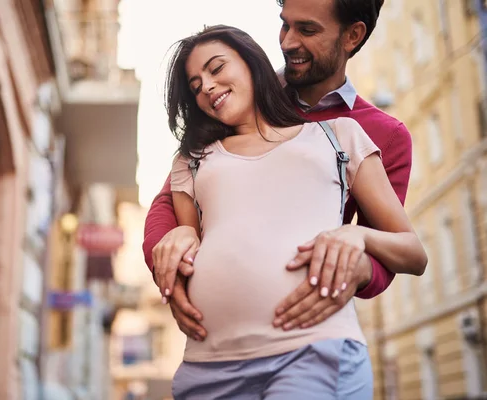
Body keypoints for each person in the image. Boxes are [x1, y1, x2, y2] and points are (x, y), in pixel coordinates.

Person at [164, 24, 426, 398]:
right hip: (208, 366)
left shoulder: (339, 136)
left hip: (312, 351)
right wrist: (180, 234)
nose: (206, 85)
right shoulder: (190, 161)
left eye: (217, 68)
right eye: (195, 85)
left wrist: (356, 235)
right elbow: (188, 246)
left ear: (252, 62)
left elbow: (414, 254)